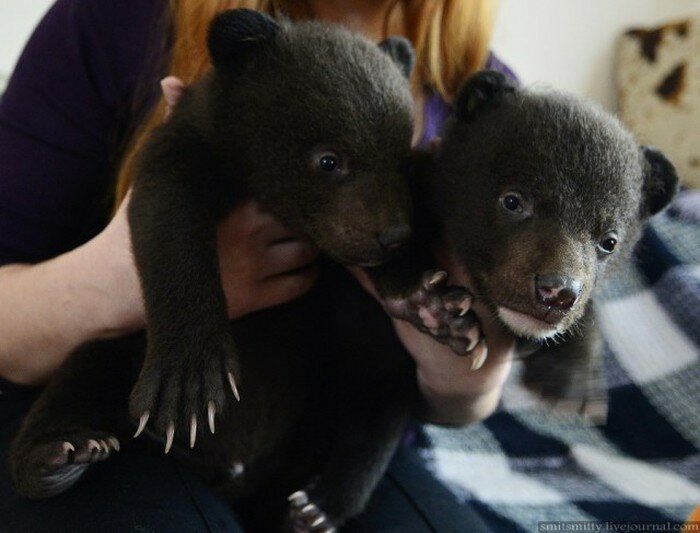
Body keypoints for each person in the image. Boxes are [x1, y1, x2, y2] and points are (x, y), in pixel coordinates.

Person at [0, 0, 517, 530]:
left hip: (318, 434)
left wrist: (470, 373)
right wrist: (138, 292)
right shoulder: (121, 20)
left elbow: (454, 398)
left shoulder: (491, 97)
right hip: (124, 403)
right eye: (332, 164)